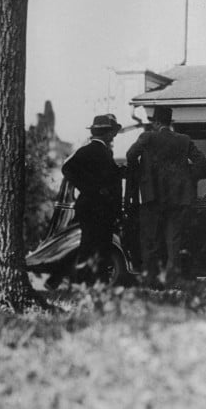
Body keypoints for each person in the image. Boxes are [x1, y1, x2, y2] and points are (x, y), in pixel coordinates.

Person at [126, 105, 206, 288]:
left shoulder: (147, 137)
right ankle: (172, 281)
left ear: (156, 122)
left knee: (151, 241)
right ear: (170, 122)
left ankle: (151, 281)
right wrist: (186, 179)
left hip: (152, 197)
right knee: (174, 242)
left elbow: (130, 155)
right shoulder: (184, 140)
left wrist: (142, 175)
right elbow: (202, 164)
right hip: (178, 199)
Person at [61, 114, 124, 284]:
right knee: (97, 247)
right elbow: (67, 168)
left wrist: (88, 187)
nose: (113, 136)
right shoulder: (96, 151)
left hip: (92, 208)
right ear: (107, 133)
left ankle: (88, 281)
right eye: (112, 132)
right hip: (98, 209)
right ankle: (91, 282)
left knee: (91, 246)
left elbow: (69, 169)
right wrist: (94, 189)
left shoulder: (94, 151)